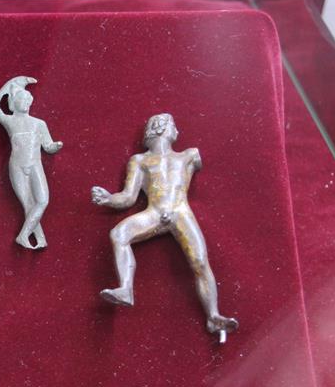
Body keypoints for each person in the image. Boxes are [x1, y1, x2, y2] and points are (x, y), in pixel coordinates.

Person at [91, 114, 238, 338]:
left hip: (180, 212)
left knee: (199, 261)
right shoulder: (139, 161)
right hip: (155, 213)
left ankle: (213, 316)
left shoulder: (189, 156)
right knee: (119, 233)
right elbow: (128, 197)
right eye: (172, 126)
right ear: (160, 129)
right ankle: (126, 289)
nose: (176, 131)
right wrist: (109, 199)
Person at [0, 76, 62, 249]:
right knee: (28, 204)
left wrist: (54, 147)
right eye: (21, 100)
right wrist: (10, 85)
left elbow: (47, 146)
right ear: (13, 103)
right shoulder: (10, 121)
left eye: (27, 101)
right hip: (16, 166)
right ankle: (40, 239)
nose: (25, 104)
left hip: (35, 165)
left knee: (43, 201)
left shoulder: (39, 124)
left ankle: (23, 236)